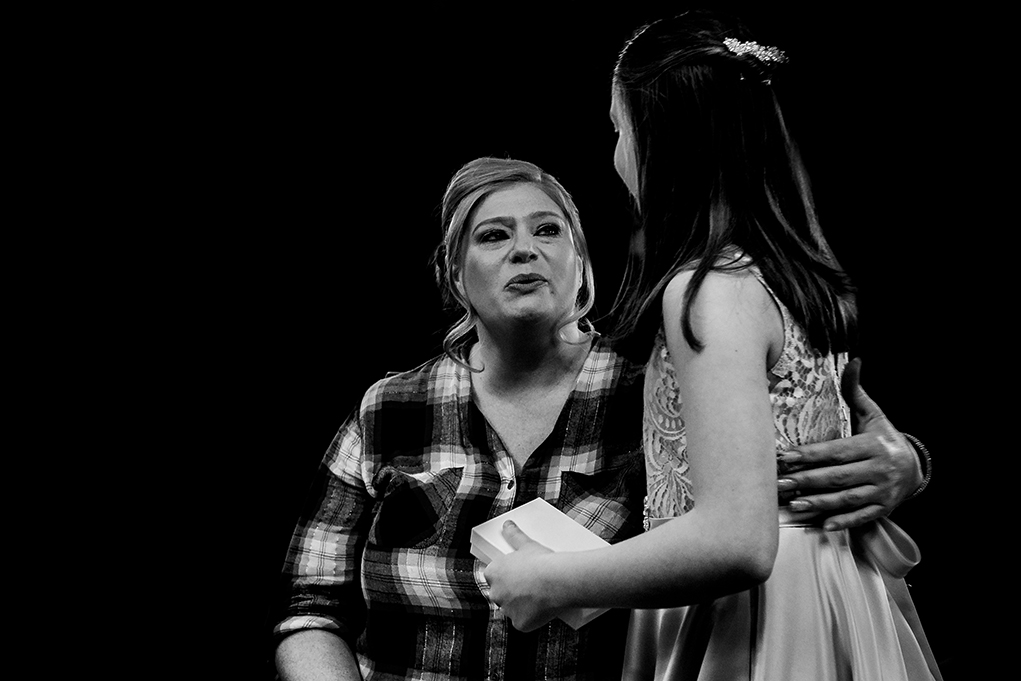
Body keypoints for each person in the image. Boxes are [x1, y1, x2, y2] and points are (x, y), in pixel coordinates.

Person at [270, 155, 928, 680]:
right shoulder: (388, 407)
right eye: (493, 235)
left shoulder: (651, 383)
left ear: (580, 263)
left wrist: (906, 460)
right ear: (454, 273)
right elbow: (310, 610)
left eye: (547, 230)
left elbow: (819, 418)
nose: (524, 249)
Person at [483, 11, 942, 681]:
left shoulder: (706, 293)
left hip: (754, 620)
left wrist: (554, 581)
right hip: (826, 593)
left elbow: (736, 538)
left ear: (661, 141)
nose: (615, 157)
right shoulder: (789, 281)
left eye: (619, 130)